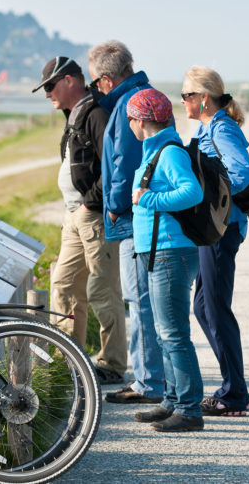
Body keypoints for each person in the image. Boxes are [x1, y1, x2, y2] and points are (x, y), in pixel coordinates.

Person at [32, 56, 127, 384]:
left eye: (50, 86)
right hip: (75, 215)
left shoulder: (96, 113)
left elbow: (114, 166)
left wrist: (90, 204)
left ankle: (112, 365)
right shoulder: (76, 112)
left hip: (94, 216)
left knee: (103, 290)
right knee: (63, 283)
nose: (47, 94)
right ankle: (68, 361)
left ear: (70, 80)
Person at [87, 41, 164, 403]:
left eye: (95, 81)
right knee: (144, 299)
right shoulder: (145, 98)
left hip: (134, 215)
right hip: (146, 214)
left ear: (106, 78)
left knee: (140, 299)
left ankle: (149, 383)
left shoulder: (128, 106)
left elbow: (125, 162)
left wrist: (115, 204)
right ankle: (151, 379)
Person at [126, 88, 205, 432]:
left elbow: (192, 192)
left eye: (131, 118)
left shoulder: (169, 152)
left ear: (140, 120)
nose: (130, 124)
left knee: (174, 334)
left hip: (172, 251)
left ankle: (189, 409)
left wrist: (149, 198)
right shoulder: (155, 150)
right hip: (157, 251)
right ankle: (172, 401)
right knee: (163, 333)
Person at [181, 66, 249, 417]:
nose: (182, 101)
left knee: (216, 309)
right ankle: (233, 384)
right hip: (214, 230)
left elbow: (243, 171)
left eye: (186, 95)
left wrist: (212, 198)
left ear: (203, 98)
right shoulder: (209, 126)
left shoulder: (221, 127)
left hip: (221, 230)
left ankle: (234, 394)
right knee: (202, 307)